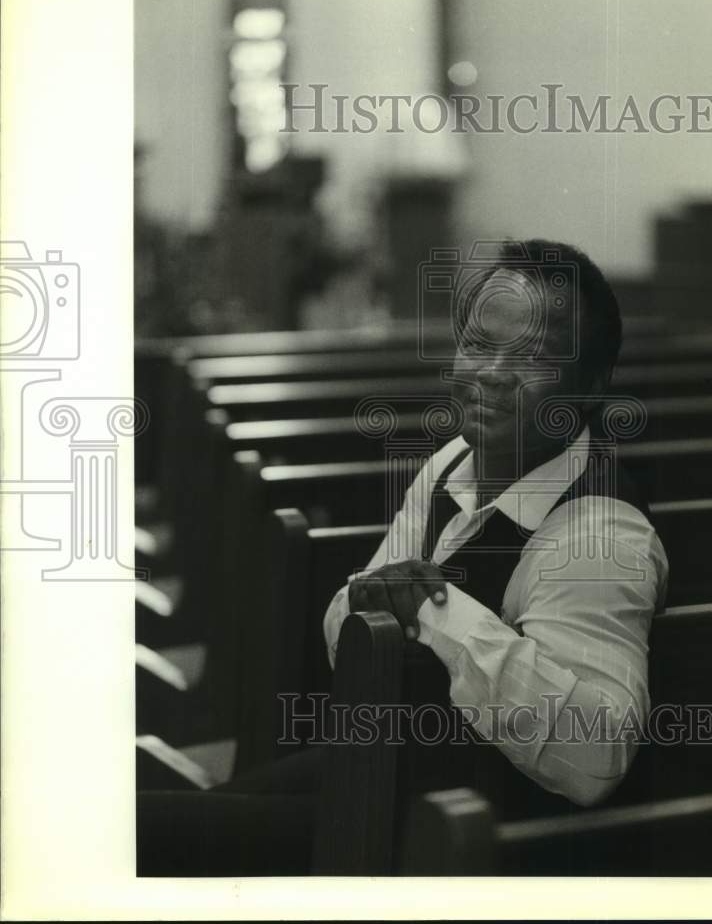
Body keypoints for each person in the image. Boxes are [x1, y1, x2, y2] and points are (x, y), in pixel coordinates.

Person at [137, 239, 668, 874]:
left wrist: (437, 614)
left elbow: (597, 755)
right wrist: (384, 602)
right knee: (164, 820)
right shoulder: (455, 463)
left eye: (530, 356)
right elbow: (353, 624)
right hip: (394, 776)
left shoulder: (599, 538)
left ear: (590, 385)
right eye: (477, 344)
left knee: (150, 836)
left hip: (464, 845)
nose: (491, 373)